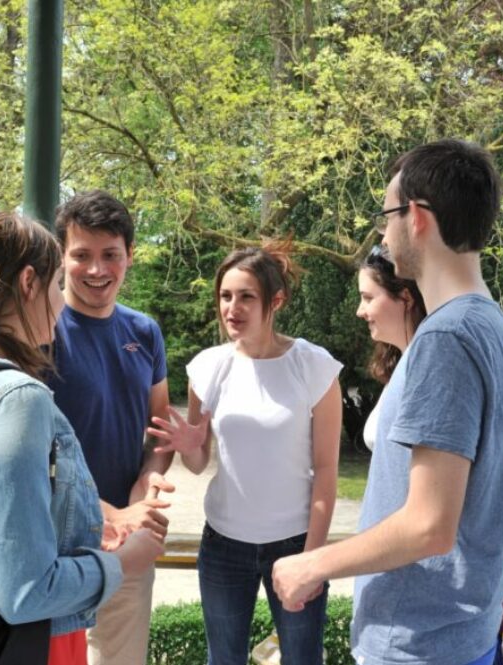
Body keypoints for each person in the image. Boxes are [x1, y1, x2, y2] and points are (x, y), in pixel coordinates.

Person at [270, 139, 503, 665]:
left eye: (387, 216)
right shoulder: (492, 324)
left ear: (417, 217)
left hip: (420, 643)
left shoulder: (446, 338)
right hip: (465, 636)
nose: (384, 235)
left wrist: (312, 564)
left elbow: (429, 525)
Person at [0, 210, 163, 665]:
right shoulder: (17, 397)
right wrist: (125, 562)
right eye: (57, 279)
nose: (61, 304)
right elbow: (24, 592)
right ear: (29, 283)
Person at [148, 243, 343, 665]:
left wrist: (311, 558)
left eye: (246, 296)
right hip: (223, 545)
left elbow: (327, 474)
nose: (232, 308)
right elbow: (200, 463)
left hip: (295, 543)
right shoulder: (207, 367)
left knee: (302, 659)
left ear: (276, 300)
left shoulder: (314, 366)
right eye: (225, 296)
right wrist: (189, 448)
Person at [48, 190, 174, 665]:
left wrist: (147, 481)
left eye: (110, 255)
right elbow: (34, 452)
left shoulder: (144, 332)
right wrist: (106, 513)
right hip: (55, 544)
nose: (97, 269)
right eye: (81, 255)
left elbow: (159, 430)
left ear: (129, 257)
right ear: (62, 257)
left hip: (127, 542)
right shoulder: (42, 331)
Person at [356, 245, 426, 450]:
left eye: (368, 298)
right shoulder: (402, 366)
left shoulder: (424, 368)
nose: (360, 311)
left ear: (406, 298)